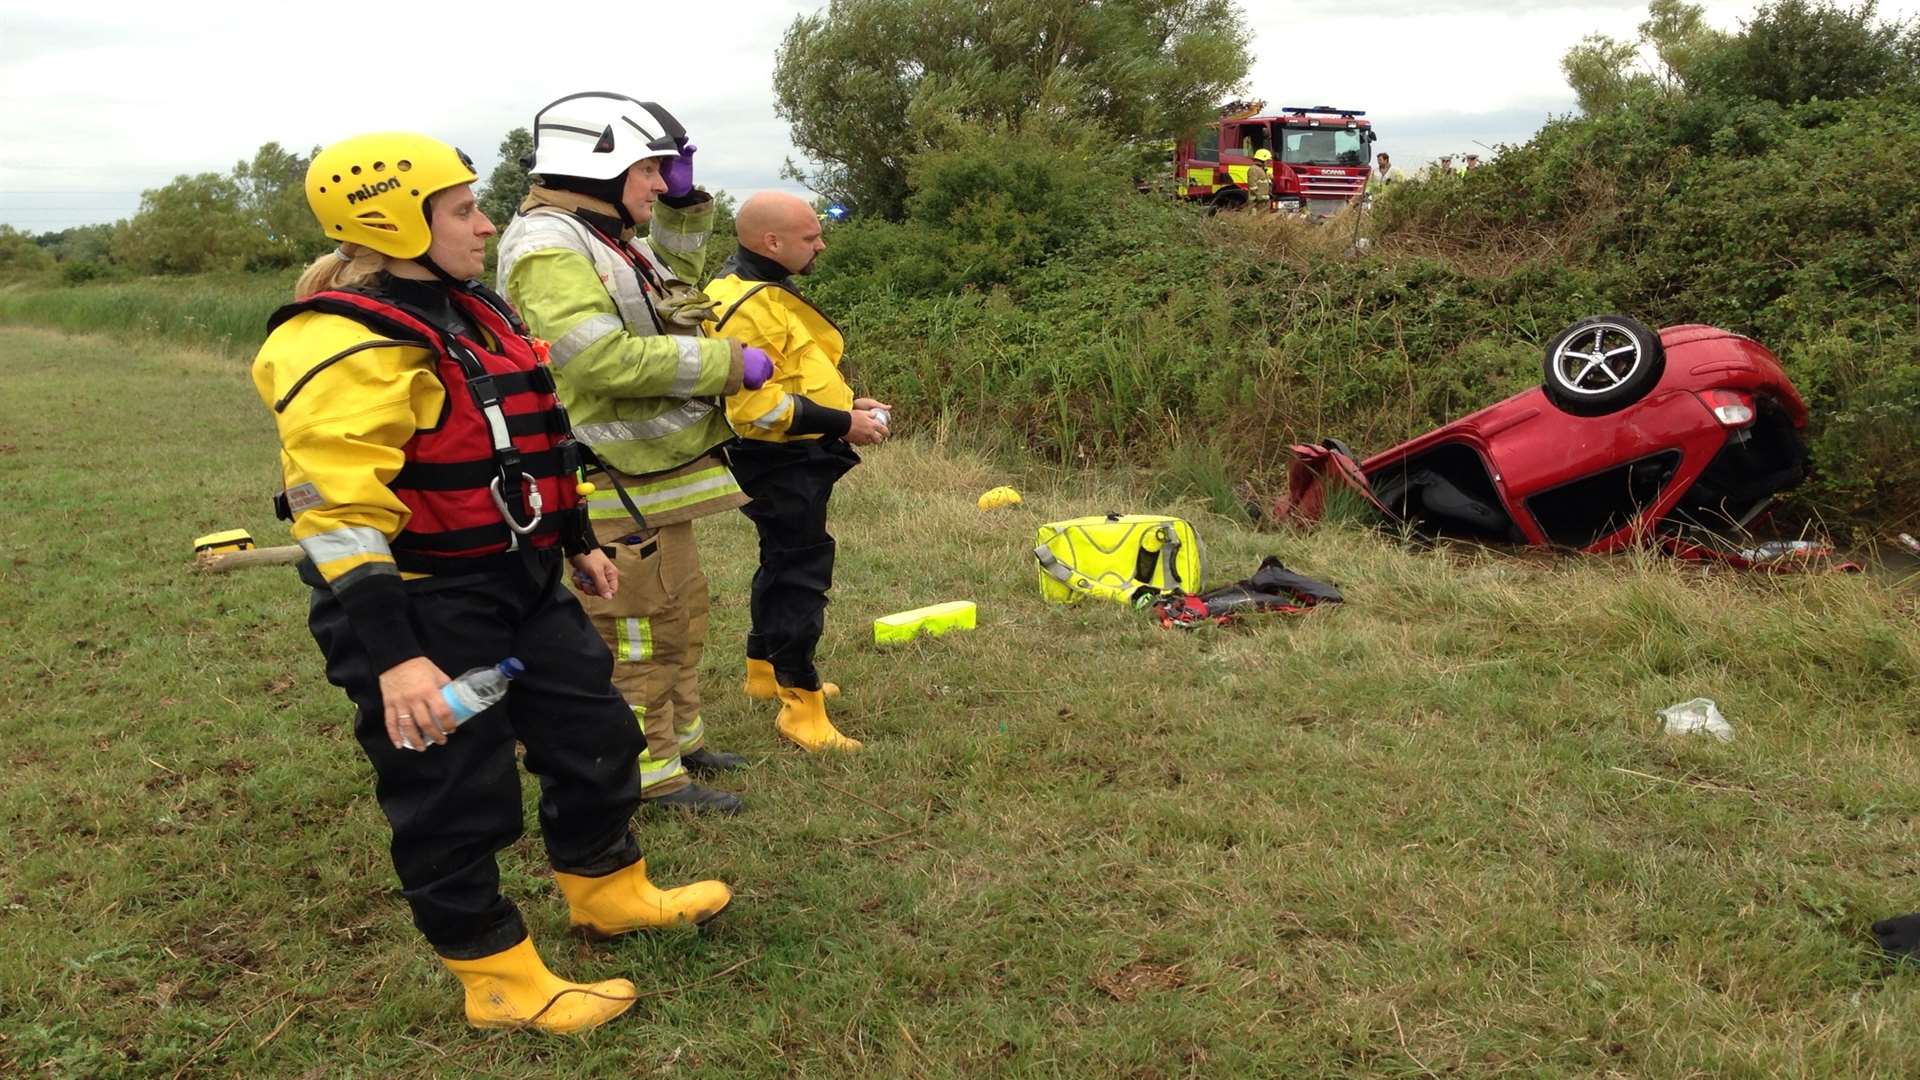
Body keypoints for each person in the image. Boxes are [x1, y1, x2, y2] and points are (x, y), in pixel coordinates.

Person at [251, 132, 732, 1034]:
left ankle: (608, 892)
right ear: (393, 223)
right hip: (419, 604)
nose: (486, 224)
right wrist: (395, 661)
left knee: (595, 731)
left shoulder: (471, 309)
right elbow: (339, 512)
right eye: (464, 210)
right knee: (456, 791)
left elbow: (531, 433)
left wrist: (576, 535)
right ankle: (497, 979)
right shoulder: (346, 340)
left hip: (519, 578)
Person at [498, 92, 770, 815]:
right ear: (601, 167)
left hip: (650, 475)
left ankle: (682, 741)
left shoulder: (602, 232)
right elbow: (598, 362)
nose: (658, 183)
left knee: (683, 611)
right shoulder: (550, 247)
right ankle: (651, 778)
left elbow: (672, 279)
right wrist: (724, 365)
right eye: (650, 170)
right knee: (637, 632)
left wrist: (686, 202)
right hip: (606, 480)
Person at [703, 192, 890, 752]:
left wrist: (849, 403)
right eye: (811, 238)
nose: (821, 244)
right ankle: (800, 707)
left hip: (794, 454)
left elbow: (793, 373)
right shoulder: (746, 304)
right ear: (772, 242)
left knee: (782, 561)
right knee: (800, 575)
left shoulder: (760, 289)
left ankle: (762, 673)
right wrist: (842, 424)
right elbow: (756, 411)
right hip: (777, 460)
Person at [1247, 148, 1274, 213]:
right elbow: (1252, 186)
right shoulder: (1253, 169)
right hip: (1256, 203)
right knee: (1255, 220)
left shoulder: (1262, 170)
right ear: (1262, 160)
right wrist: (1260, 197)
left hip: (1264, 202)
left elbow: (1265, 183)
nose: (1269, 162)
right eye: (1267, 160)